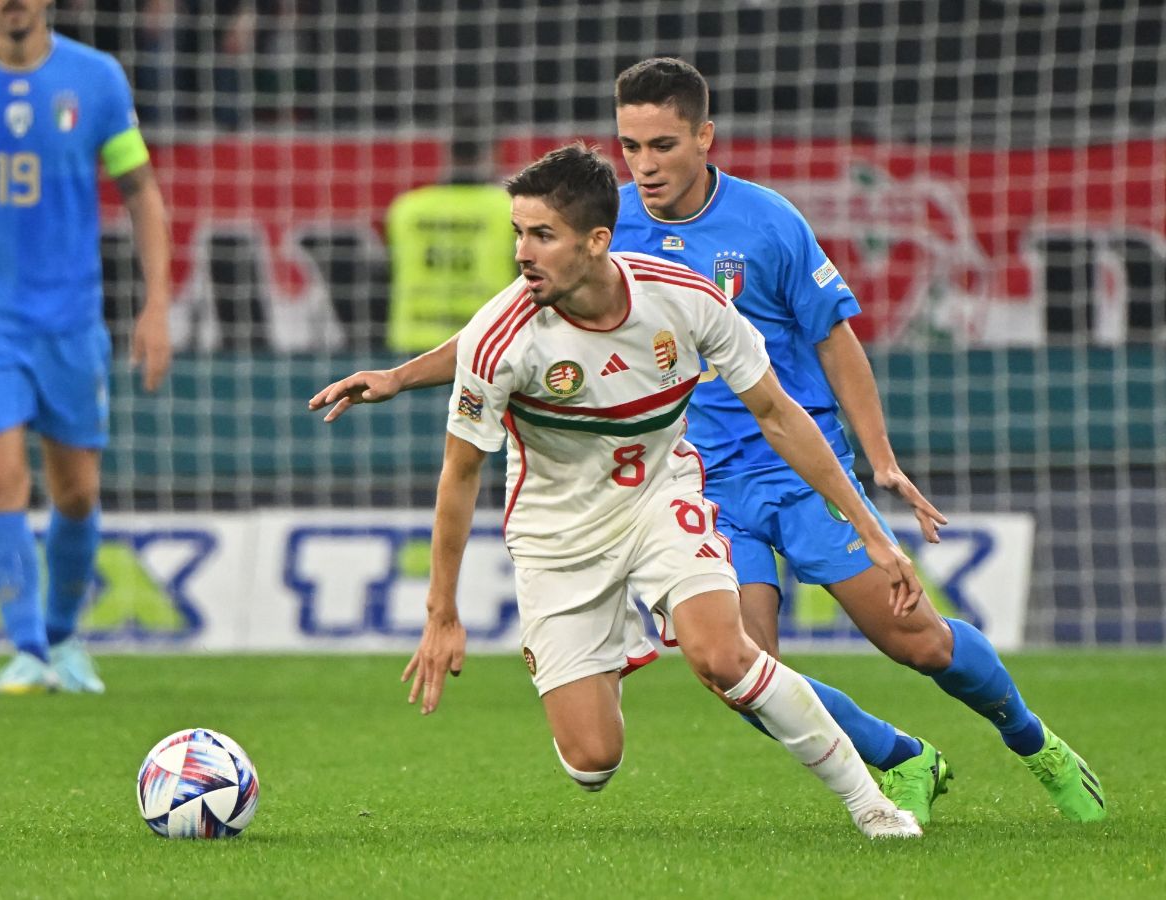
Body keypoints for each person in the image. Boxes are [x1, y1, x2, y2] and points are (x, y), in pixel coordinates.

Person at [312, 58, 1107, 826]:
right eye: (630, 145)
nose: (645, 164)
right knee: (739, 670)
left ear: (705, 139)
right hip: (698, 476)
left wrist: (882, 458)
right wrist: (399, 375)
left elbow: (835, 341)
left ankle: (1033, 743)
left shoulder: (769, 222)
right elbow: (506, 321)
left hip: (793, 459)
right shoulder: (598, 224)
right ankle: (900, 757)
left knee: (916, 639)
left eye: (662, 145)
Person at [398, 145, 921, 838]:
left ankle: (873, 803)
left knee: (726, 657)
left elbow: (779, 413)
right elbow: (459, 475)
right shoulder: (499, 339)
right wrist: (442, 612)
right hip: (559, 540)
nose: (523, 252)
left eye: (542, 235)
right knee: (592, 762)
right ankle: (616, 640)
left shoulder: (684, 299)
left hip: (657, 499)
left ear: (596, 242)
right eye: (518, 233)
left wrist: (874, 532)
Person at [0, 0, 173, 694]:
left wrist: (158, 303)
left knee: (76, 492)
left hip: (70, 321)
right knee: (0, 477)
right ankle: (25, 651)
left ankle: (61, 637)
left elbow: (139, 190)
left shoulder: (98, 79)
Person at [383, 111, 516, 352]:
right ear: (495, 152)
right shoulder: (510, 208)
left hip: (413, 342)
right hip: (485, 342)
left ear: (447, 150)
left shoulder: (407, 208)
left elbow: (388, 274)